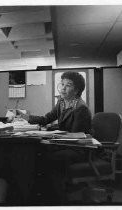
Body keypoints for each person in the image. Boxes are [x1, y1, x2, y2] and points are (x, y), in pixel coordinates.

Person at [17, 71, 92, 204]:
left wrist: (52, 138)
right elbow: (46, 118)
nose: (63, 88)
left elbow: (76, 137)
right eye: (62, 84)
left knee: (46, 158)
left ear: (77, 90)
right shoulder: (62, 103)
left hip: (77, 149)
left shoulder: (81, 108)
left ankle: (56, 198)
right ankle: (43, 193)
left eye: (68, 85)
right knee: (37, 153)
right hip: (65, 144)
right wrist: (26, 117)